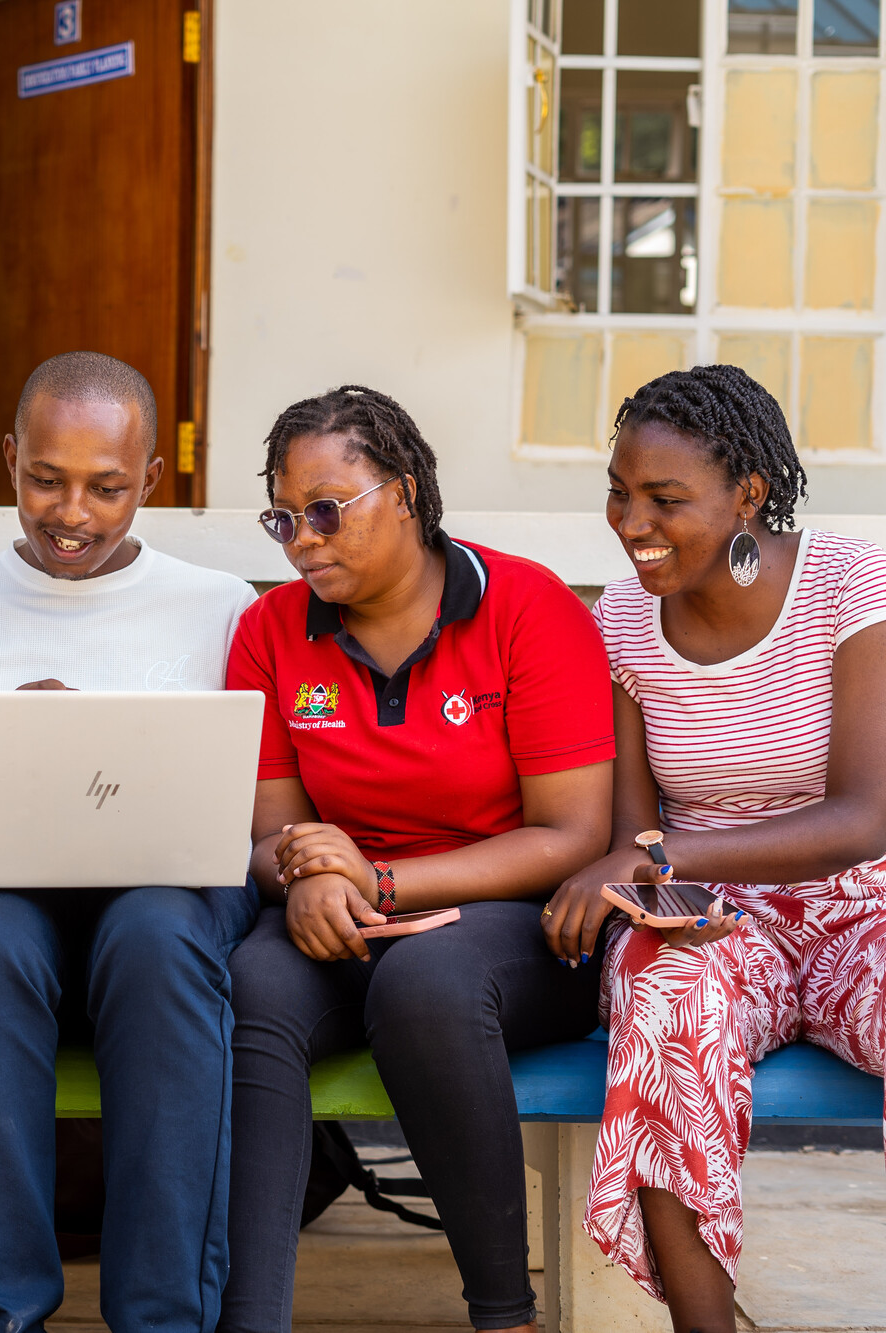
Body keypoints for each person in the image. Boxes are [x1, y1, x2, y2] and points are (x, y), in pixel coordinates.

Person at [544, 364, 886, 1332]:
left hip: (871, 902)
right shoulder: (622, 618)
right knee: (661, 996)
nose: (629, 519)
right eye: (617, 490)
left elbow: (855, 819)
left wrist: (653, 861)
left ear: (748, 495)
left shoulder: (851, 585)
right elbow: (639, 827)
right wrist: (649, 870)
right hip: (718, 919)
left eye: (662, 498)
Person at [219, 385, 615, 1333]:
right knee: (251, 984)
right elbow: (271, 829)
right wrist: (308, 875)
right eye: (284, 518)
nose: (304, 540)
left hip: (513, 916)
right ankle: (247, 1318)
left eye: (327, 510)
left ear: (403, 492)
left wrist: (379, 880)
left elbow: (570, 836)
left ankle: (502, 1314)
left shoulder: (527, 608)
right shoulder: (271, 631)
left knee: (428, 983)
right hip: (344, 910)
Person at [0, 350, 260, 1333]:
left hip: (166, 884)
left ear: (149, 479)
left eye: (106, 487)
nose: (72, 512)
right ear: (7, 461)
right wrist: (5, 733)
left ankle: (161, 1316)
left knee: (157, 940)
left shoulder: (219, 604)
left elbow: (238, 788)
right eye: (44, 480)